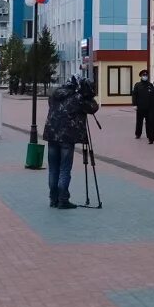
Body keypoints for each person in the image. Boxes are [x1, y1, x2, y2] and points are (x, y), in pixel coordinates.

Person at [43, 76, 100, 208]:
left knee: (53, 169)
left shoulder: (54, 95)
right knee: (64, 169)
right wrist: (87, 94)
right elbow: (93, 107)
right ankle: (63, 200)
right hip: (67, 138)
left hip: (52, 135)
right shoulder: (77, 97)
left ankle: (53, 199)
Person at [131, 72, 154, 143]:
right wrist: (134, 104)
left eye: (146, 75)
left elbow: (153, 96)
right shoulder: (137, 85)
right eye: (144, 76)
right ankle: (138, 134)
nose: (145, 77)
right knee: (139, 121)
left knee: (149, 122)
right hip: (140, 107)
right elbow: (134, 95)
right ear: (141, 76)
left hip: (149, 107)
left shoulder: (150, 85)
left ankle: (149, 135)